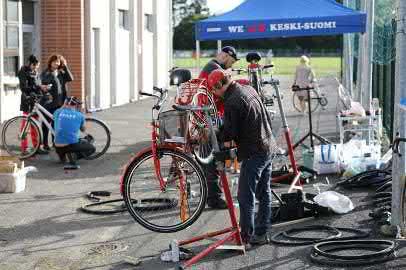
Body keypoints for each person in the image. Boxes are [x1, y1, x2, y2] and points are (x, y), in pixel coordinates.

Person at [208, 69, 279, 246]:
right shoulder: (248, 88)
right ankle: (261, 232)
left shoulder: (232, 102)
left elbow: (230, 133)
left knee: (245, 196)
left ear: (219, 86)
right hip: (269, 145)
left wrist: (212, 133)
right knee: (264, 192)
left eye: (213, 90)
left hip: (255, 152)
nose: (214, 94)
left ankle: (245, 236)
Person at [198, 46, 240, 209]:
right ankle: (214, 198)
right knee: (212, 159)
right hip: (208, 119)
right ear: (225, 56)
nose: (232, 64)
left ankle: (212, 195)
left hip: (207, 117)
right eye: (232, 60)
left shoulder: (212, 67)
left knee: (210, 158)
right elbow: (223, 91)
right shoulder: (213, 69)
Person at [17, 55, 49, 154]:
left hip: (36, 101)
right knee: (25, 126)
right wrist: (39, 87)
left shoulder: (35, 72)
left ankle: (37, 147)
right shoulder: (23, 72)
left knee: (35, 126)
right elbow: (24, 87)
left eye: (37, 66)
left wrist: (43, 89)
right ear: (30, 64)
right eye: (34, 65)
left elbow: (37, 85)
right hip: (27, 100)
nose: (36, 68)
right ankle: (24, 148)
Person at [54, 96, 95, 169]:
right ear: (76, 105)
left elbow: (57, 116)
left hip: (57, 146)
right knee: (92, 148)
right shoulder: (79, 115)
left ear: (65, 103)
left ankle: (63, 156)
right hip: (71, 145)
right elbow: (83, 129)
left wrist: (64, 106)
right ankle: (74, 156)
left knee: (65, 140)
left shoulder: (58, 112)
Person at [40, 54, 65, 152]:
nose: (56, 63)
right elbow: (44, 84)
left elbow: (70, 78)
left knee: (55, 124)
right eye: (54, 61)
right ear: (50, 62)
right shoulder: (46, 73)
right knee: (46, 124)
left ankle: (55, 143)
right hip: (48, 102)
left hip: (58, 103)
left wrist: (65, 67)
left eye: (58, 62)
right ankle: (45, 144)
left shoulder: (60, 72)